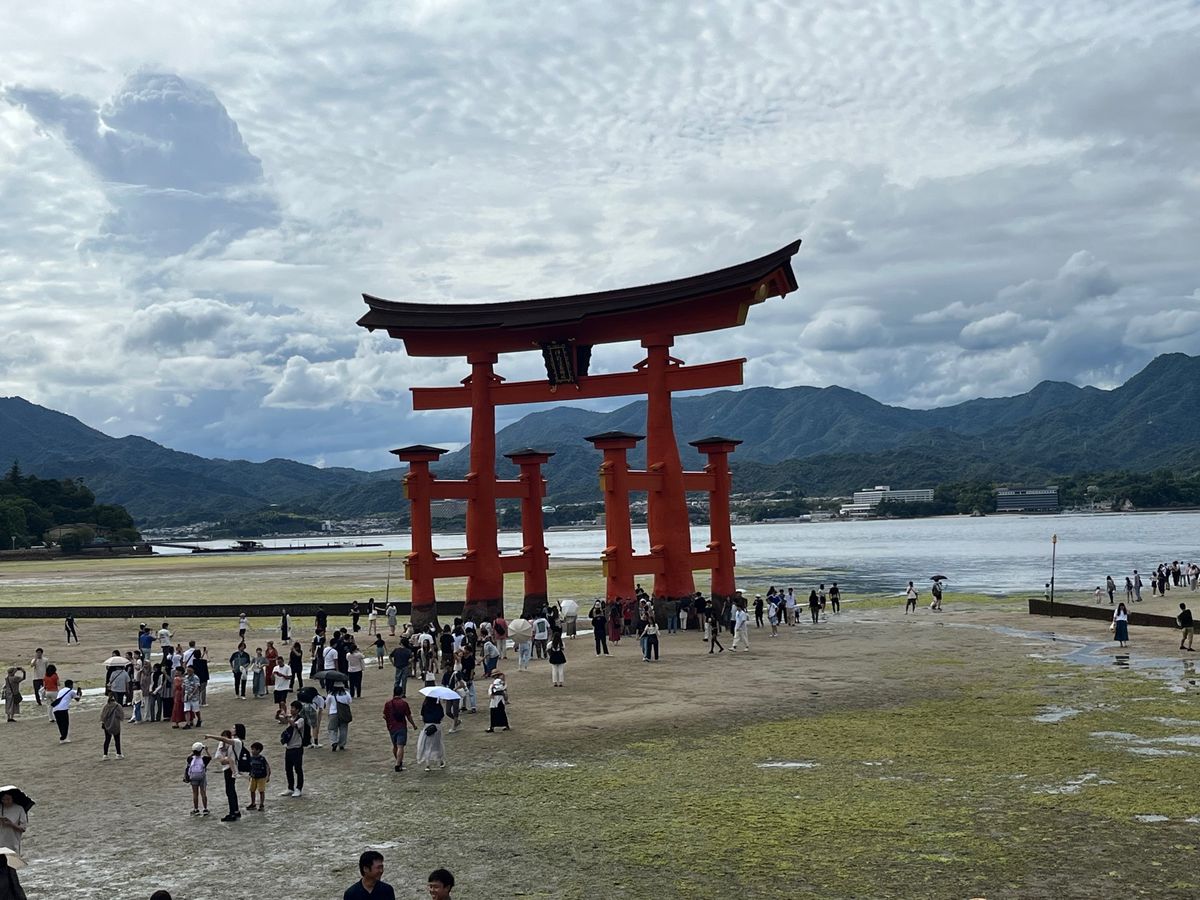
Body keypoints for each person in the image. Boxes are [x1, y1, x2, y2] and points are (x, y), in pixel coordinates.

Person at [204, 728, 243, 821]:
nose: (232, 729)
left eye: (234, 728)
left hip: (230, 769)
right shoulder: (229, 743)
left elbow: (224, 740)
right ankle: (235, 811)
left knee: (230, 791)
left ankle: (232, 813)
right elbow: (220, 757)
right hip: (228, 768)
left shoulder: (237, 741)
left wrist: (210, 736)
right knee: (231, 790)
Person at [383, 689, 416, 772]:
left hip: (391, 727)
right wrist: (413, 725)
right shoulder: (404, 703)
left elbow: (384, 716)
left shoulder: (388, 704)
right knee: (400, 746)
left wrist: (389, 722)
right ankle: (398, 764)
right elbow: (408, 716)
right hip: (401, 726)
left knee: (395, 746)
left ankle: (399, 761)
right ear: (401, 693)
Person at [281, 701, 306, 797]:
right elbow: (284, 721)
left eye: (293, 708)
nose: (291, 710)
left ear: (298, 710)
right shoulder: (290, 718)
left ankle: (299, 788)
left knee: (298, 769)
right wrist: (280, 715)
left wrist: (287, 717)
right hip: (289, 747)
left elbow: (294, 725)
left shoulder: (301, 720)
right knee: (288, 769)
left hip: (297, 748)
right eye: (291, 708)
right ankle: (290, 788)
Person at [416, 695, 447, 771]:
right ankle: (440, 761)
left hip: (428, 726)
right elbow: (442, 716)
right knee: (438, 745)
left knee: (427, 746)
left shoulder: (425, 705)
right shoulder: (438, 705)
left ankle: (427, 764)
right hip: (437, 726)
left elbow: (422, 716)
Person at [185, 741, 211, 816]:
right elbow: (210, 757)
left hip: (193, 777)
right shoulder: (204, 759)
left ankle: (196, 809)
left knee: (195, 793)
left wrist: (194, 751)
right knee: (203, 792)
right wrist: (206, 750)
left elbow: (189, 757)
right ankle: (205, 809)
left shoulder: (190, 759)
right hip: (202, 777)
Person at [0, 791, 28, 856]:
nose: (6, 801)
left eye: (8, 799)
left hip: (13, 843)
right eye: (3, 799)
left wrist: (11, 824)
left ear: (12, 798)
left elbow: (23, 828)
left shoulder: (19, 809)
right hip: (0, 843)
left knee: (13, 860)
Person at [245, 741, 271, 809]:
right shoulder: (250, 758)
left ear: (258, 750)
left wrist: (268, 776)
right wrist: (250, 775)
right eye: (251, 749)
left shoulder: (262, 759)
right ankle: (253, 803)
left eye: (253, 749)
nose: (252, 751)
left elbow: (267, 767)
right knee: (252, 790)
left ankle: (261, 804)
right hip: (253, 777)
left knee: (261, 791)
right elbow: (250, 767)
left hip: (261, 778)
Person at [327, 684, 353, 751]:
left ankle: (334, 742)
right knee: (343, 729)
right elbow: (350, 701)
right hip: (343, 713)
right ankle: (342, 744)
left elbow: (327, 703)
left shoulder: (331, 694)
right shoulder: (346, 694)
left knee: (332, 729)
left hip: (333, 713)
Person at [100, 692, 124, 760]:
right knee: (117, 740)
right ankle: (118, 754)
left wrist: (103, 723)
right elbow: (121, 717)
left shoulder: (106, 706)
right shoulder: (118, 706)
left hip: (107, 725)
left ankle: (105, 755)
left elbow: (103, 717)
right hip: (116, 725)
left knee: (107, 740)